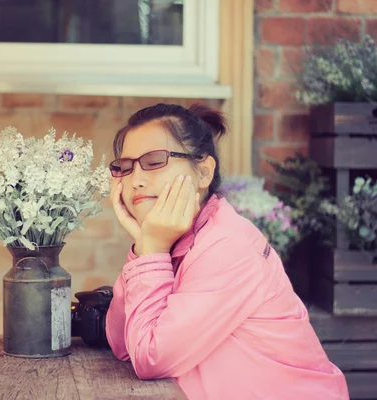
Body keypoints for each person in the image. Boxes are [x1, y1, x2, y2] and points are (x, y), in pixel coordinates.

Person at [105, 103, 349, 400]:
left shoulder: (229, 245)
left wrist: (152, 249)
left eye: (154, 161)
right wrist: (144, 247)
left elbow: (150, 358)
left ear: (204, 172)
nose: (135, 180)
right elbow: (122, 345)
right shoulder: (170, 240)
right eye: (125, 167)